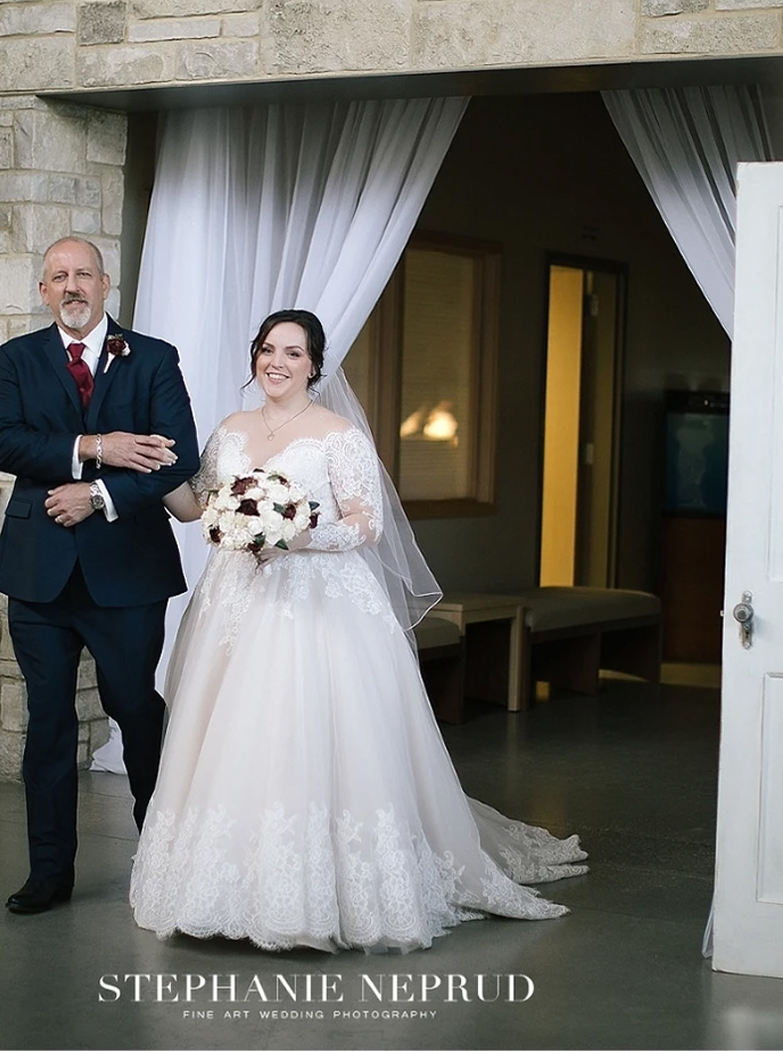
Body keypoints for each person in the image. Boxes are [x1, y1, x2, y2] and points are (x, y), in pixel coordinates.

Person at [130, 308, 587, 952]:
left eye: (293, 352)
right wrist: (154, 476)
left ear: (315, 364)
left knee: (310, 733)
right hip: (235, 603)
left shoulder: (337, 434)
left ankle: (324, 895)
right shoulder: (229, 429)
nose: (277, 362)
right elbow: (202, 507)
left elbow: (365, 524)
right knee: (232, 733)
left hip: (317, 604)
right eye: (267, 350)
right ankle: (221, 887)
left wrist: (295, 532)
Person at [0, 237, 199, 915]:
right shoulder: (17, 358)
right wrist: (94, 448)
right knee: (45, 723)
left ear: (106, 285)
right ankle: (48, 873)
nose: (71, 286)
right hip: (37, 575)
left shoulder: (154, 358)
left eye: (82, 274)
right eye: (58, 277)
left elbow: (177, 459)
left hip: (127, 572)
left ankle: (161, 858)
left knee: (134, 709)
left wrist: (100, 495)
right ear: (44, 291)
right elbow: (7, 444)